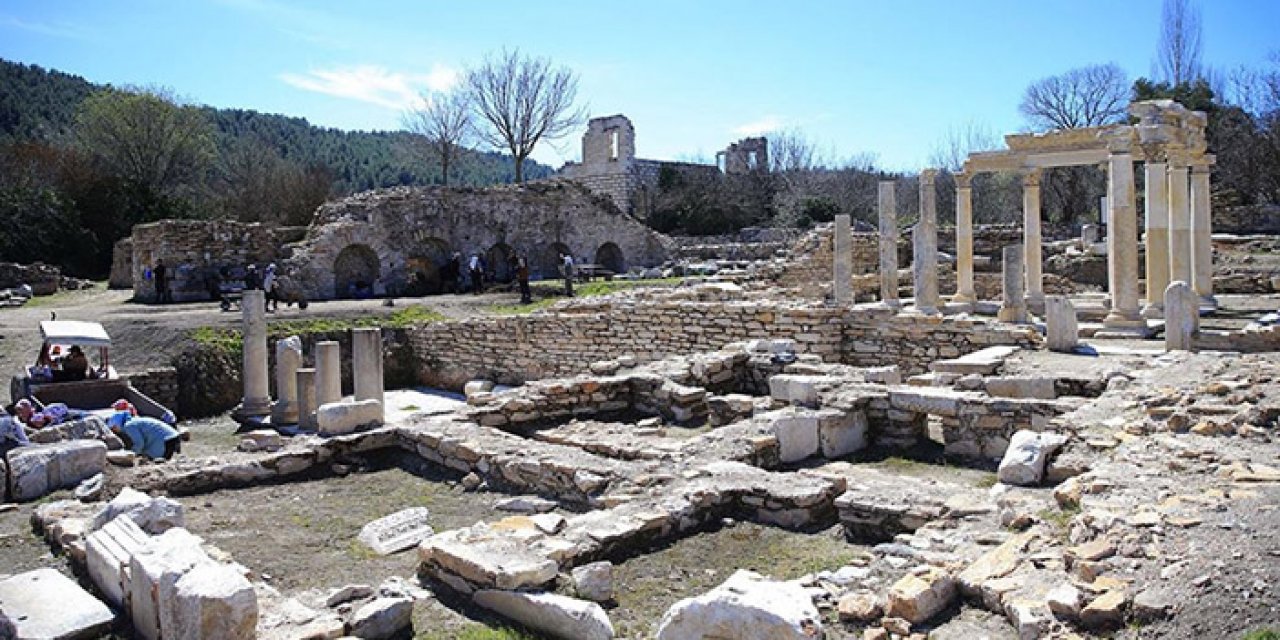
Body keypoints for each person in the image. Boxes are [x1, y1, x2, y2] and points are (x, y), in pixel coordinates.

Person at [108, 411, 182, 460]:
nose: (114, 431)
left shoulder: (129, 426)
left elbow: (139, 443)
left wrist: (131, 454)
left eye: (114, 428)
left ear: (117, 424)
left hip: (166, 440)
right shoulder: (134, 421)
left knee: (160, 462)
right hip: (172, 436)